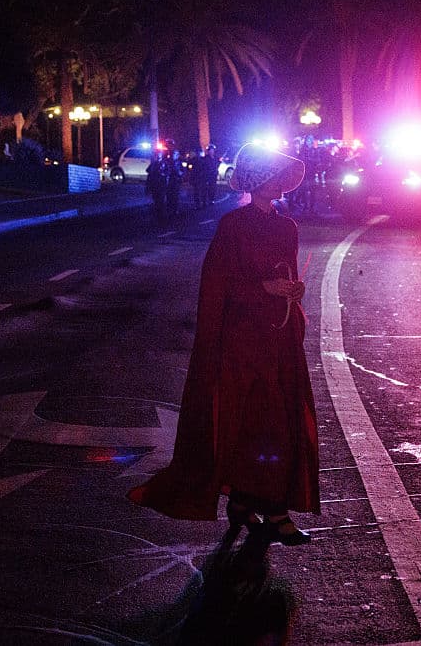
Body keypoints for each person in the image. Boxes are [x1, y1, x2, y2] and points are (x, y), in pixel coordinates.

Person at [128, 143, 320, 546]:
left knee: (279, 421)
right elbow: (217, 286)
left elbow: (283, 273)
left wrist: (292, 291)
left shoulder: (289, 227)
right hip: (241, 341)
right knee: (252, 421)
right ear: (254, 181)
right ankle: (268, 508)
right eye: (270, 175)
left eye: (281, 176)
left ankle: (256, 503)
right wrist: (262, 288)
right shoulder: (232, 226)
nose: (278, 183)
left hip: (278, 336)